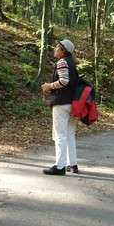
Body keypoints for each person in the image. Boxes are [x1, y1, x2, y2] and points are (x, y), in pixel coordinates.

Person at [41, 39, 79, 175]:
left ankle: (60, 166)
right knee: (69, 135)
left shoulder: (62, 62)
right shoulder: (72, 63)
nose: (55, 49)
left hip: (62, 103)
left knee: (60, 135)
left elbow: (64, 81)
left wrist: (48, 86)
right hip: (72, 104)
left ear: (63, 50)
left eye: (57, 47)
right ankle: (72, 164)